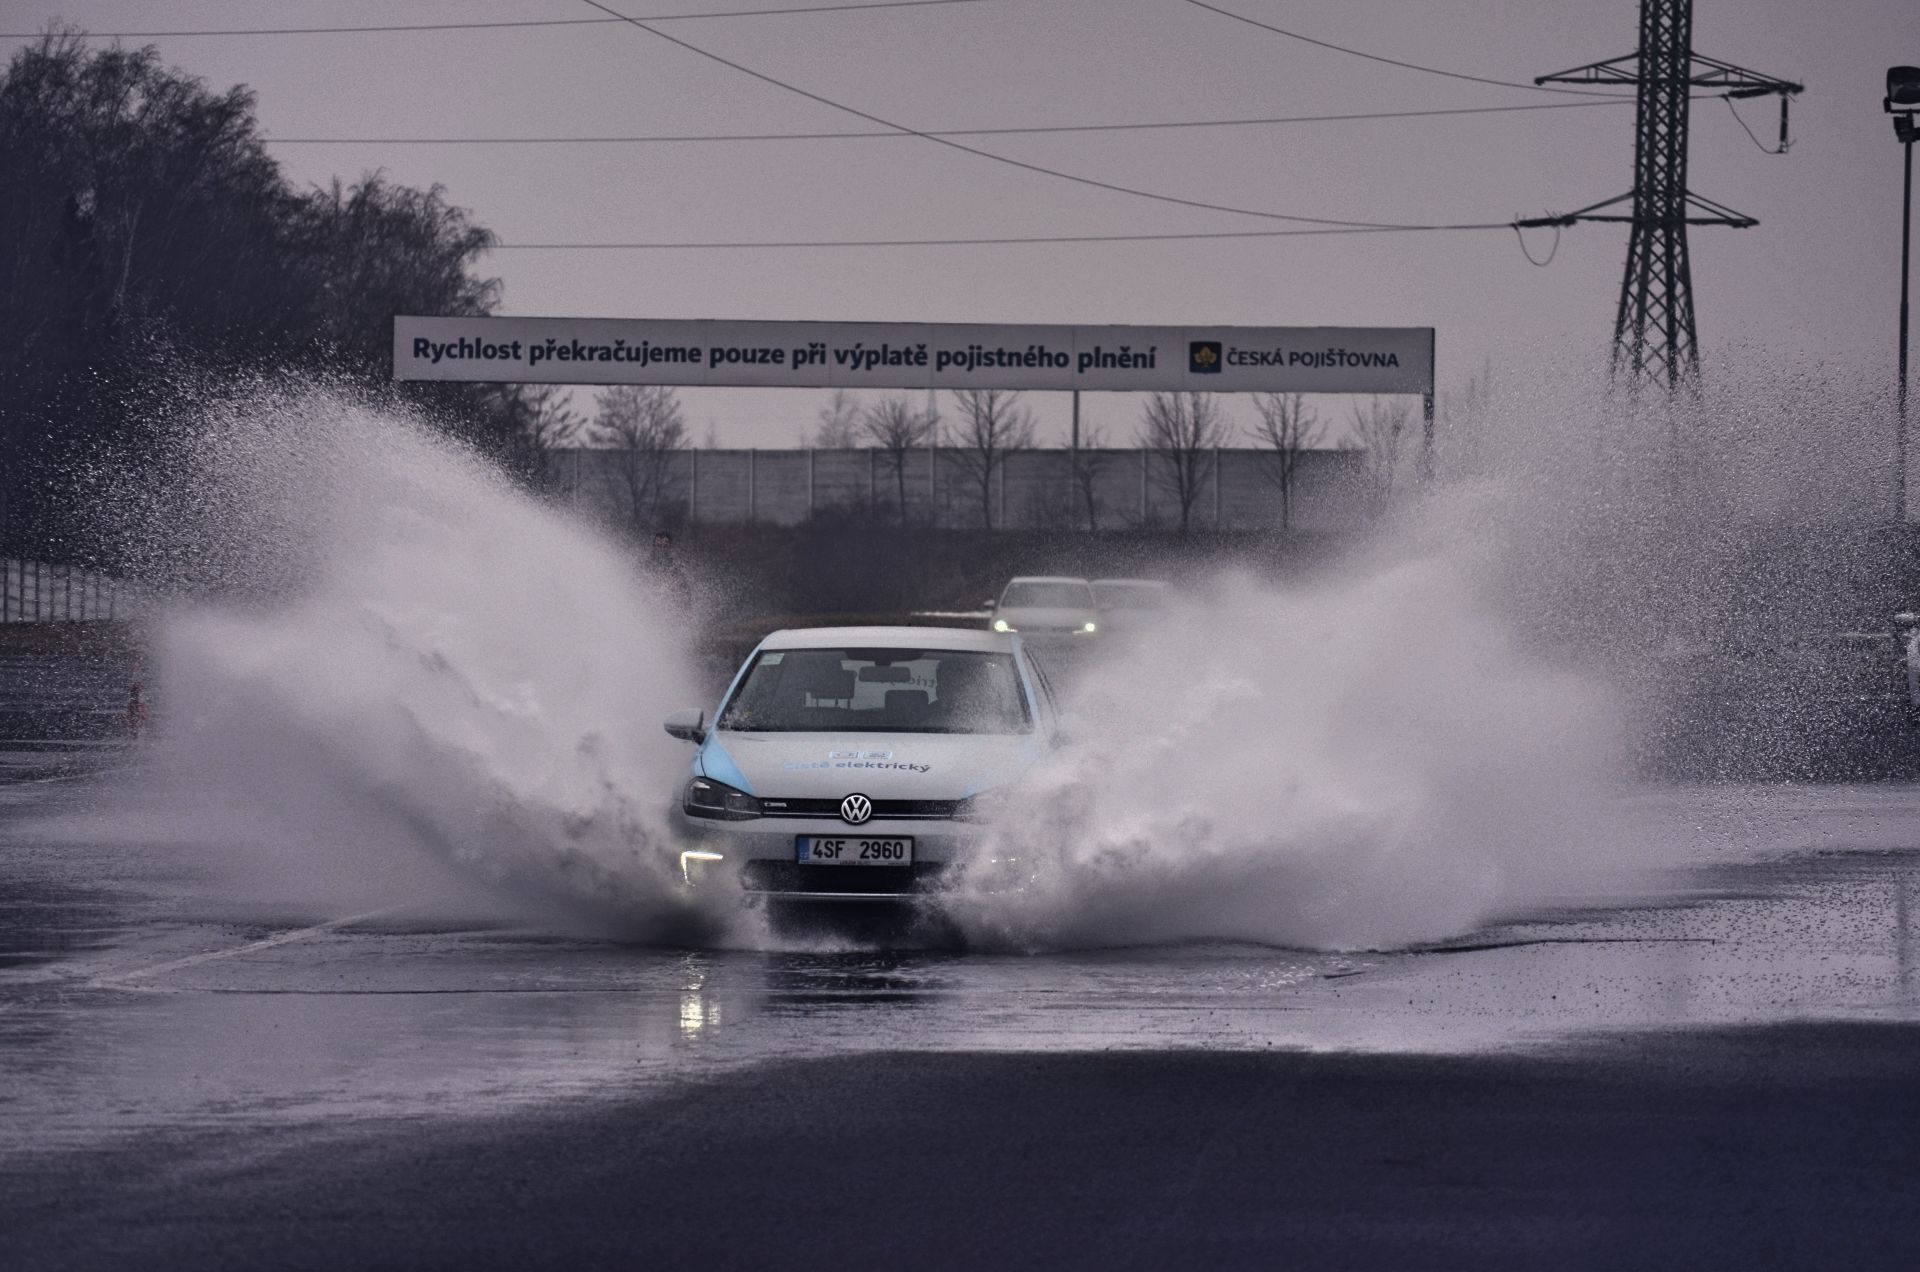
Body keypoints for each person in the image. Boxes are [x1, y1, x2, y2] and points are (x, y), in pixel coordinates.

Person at [648, 529, 691, 608]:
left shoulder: (676, 572)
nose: (661, 549)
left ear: (670, 548)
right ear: (653, 546)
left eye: (665, 546)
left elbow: (685, 598)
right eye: (658, 545)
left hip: (669, 611)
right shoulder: (643, 568)